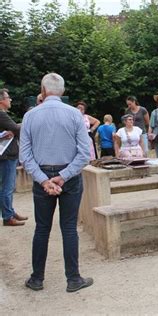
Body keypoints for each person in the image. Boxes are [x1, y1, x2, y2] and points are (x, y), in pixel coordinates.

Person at [19, 73, 93, 292]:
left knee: (42, 228)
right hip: (69, 175)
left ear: (43, 90)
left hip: (42, 173)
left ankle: (37, 278)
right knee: (69, 227)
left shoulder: (30, 116)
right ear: (62, 90)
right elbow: (84, 154)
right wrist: (64, 175)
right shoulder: (74, 114)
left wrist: (43, 180)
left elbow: (25, 156)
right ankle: (73, 279)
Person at [0, 88, 28, 226]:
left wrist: (13, 129)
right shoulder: (1, 115)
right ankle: (8, 216)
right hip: (7, 156)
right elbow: (17, 129)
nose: (10, 99)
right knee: (7, 186)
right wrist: (23, 124)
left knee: (8, 186)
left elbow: (14, 129)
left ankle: (10, 211)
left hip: (7, 155)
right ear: (1, 101)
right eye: (8, 97)